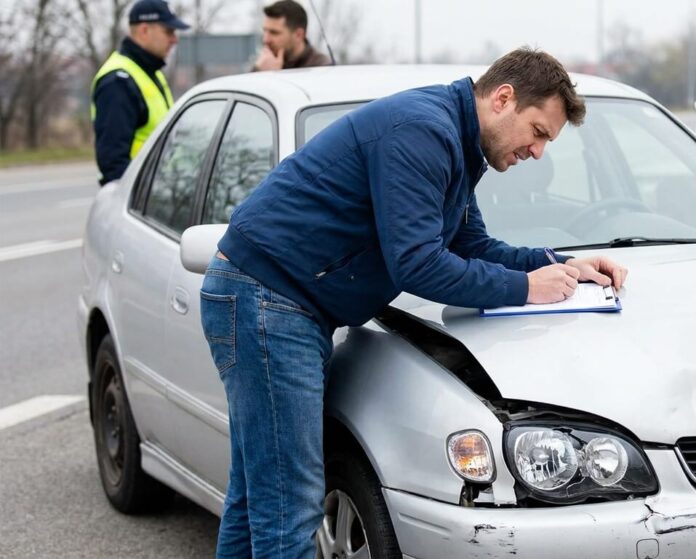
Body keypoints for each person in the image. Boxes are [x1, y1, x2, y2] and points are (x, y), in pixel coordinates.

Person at [200, 47, 628, 557]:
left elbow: (470, 246)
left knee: (258, 503)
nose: (539, 153)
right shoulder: (423, 132)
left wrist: (554, 265)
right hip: (267, 300)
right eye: (537, 132)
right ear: (503, 99)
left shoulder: (461, 144)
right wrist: (525, 289)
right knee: (289, 507)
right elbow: (418, 263)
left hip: (280, 302)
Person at [90, 0, 189, 186]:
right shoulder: (119, 82)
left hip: (158, 195)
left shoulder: (150, 72)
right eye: (169, 31)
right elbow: (114, 165)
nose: (174, 39)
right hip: (138, 203)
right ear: (144, 31)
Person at [253, 0, 331, 71]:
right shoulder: (265, 64)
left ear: (298, 35)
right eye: (265, 31)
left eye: (274, 33)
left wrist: (271, 76)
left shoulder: (322, 69)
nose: (265, 40)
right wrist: (257, 71)